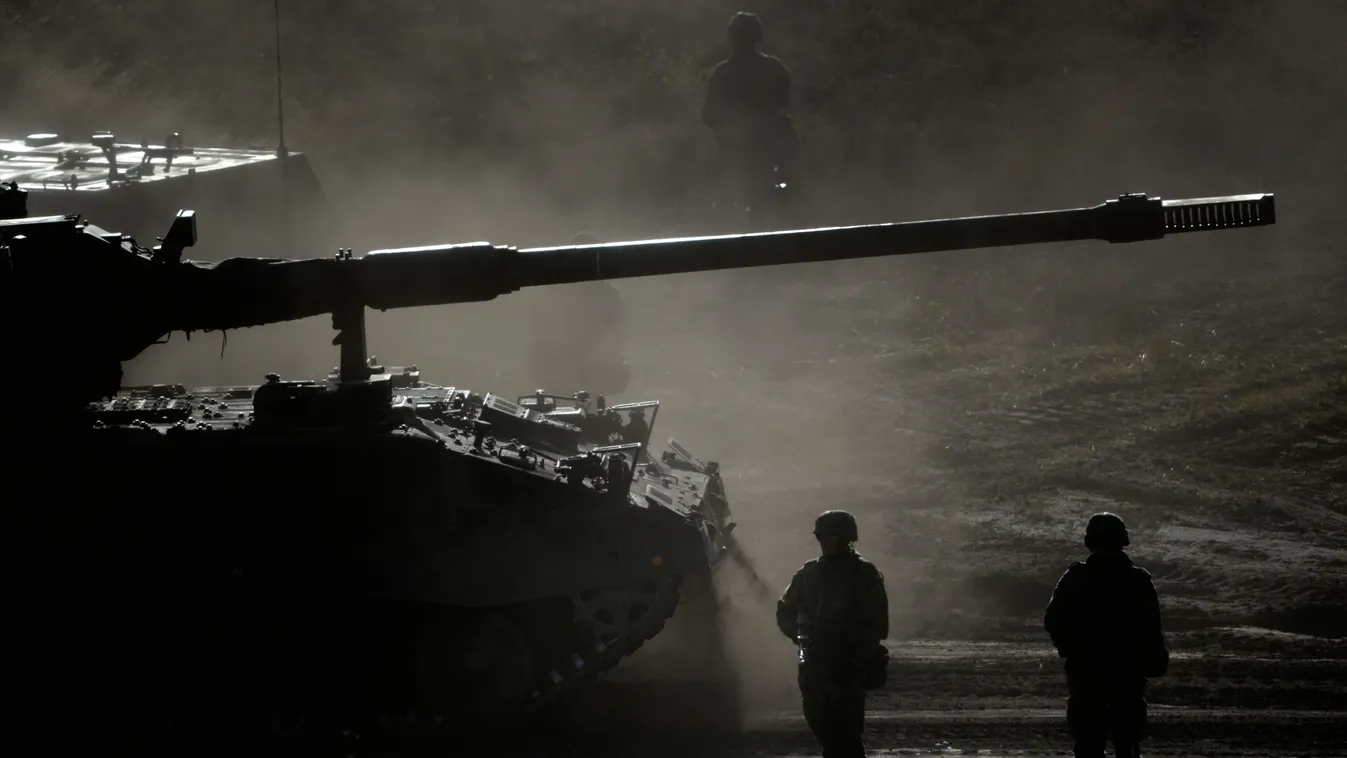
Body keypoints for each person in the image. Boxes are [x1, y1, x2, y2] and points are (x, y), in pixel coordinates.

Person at [1044, 512, 1170, 758]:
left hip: (1096, 672)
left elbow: (1053, 621)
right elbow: (1152, 630)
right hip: (1119, 672)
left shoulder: (1078, 579)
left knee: (1096, 745)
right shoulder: (1137, 581)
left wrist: (1072, 647)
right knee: (1121, 744)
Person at [776, 510, 889, 758]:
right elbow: (785, 609)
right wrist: (799, 635)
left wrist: (857, 655)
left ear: (846, 538)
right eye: (820, 537)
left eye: (829, 536)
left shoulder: (864, 574)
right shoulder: (808, 574)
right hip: (814, 665)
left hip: (847, 665)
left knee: (846, 737)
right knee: (823, 730)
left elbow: (877, 625)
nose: (823, 542)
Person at [701, 12, 797, 208]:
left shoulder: (723, 73)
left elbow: (708, 116)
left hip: (746, 150)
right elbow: (784, 101)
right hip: (756, 149)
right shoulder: (773, 68)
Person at [524, 231, 630, 396]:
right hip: (558, 366)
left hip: (591, 370)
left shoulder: (607, 295)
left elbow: (616, 334)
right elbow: (539, 328)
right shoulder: (554, 293)